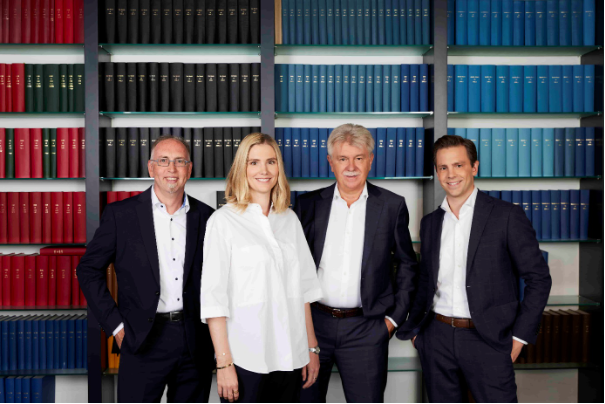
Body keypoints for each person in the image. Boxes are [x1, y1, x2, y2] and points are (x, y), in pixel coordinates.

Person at [397, 135, 552, 403]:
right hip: (436, 337)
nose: (450, 174)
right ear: (437, 172)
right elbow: (425, 280)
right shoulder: (431, 223)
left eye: (458, 165)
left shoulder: (506, 215)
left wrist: (519, 337)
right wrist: (418, 334)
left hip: (489, 339)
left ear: (474, 167)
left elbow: (539, 278)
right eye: (443, 167)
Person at [77, 136, 215, 403]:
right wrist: (116, 326)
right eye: (164, 161)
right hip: (141, 338)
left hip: (195, 340)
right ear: (151, 168)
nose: (172, 168)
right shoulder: (121, 215)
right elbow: (88, 269)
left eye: (179, 161)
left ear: (189, 169)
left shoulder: (208, 217)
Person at [296, 124, 419, 403]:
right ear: (331, 162)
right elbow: (294, 268)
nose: (351, 167)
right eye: (343, 159)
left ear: (370, 160)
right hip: (313, 326)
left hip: (367, 328)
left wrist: (392, 321)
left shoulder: (392, 205)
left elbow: (407, 265)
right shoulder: (308, 205)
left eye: (359, 158)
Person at [200, 133, 323, 403]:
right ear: (241, 169)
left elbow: (303, 291)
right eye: (254, 162)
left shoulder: (289, 219)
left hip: (291, 356)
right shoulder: (222, 222)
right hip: (245, 359)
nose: (263, 170)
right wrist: (223, 363)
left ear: (279, 168)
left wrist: (311, 348)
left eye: (271, 162)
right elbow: (213, 300)